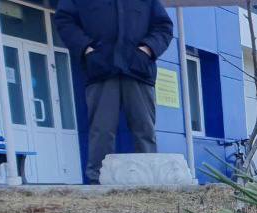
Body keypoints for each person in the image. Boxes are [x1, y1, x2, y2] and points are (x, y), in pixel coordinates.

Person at [53, 0, 173, 184]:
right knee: (101, 131)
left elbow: (164, 26)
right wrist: (87, 49)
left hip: (138, 70)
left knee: (144, 129)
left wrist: (147, 50)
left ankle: (151, 183)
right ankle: (98, 181)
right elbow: (64, 21)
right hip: (101, 70)